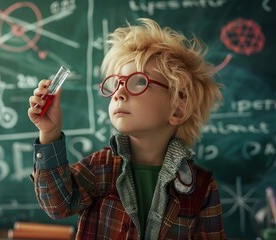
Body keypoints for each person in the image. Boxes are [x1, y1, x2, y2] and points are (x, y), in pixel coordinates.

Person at [27, 18, 226, 239]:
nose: (119, 93)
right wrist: (49, 132)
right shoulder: (101, 167)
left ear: (177, 109)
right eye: (117, 83)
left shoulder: (201, 187)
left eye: (138, 82)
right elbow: (57, 205)